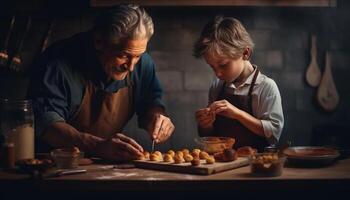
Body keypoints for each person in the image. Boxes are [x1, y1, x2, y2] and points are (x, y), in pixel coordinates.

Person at [27, 4, 175, 161]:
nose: (131, 67)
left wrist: (157, 118)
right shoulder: (58, 63)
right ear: (99, 41)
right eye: (123, 55)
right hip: (55, 164)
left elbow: (150, 103)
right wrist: (96, 146)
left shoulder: (142, 64)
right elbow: (45, 124)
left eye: (138, 56)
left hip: (102, 163)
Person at [193, 16, 284, 152]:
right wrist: (206, 125)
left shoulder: (266, 87)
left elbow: (273, 134)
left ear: (245, 53)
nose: (218, 73)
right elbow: (210, 136)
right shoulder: (217, 87)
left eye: (223, 65)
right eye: (212, 67)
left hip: (256, 164)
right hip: (223, 162)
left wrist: (238, 114)